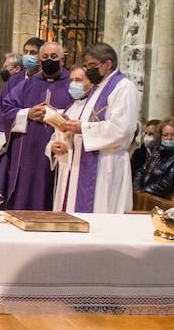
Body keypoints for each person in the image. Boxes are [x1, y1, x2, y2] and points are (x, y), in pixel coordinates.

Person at [45, 43, 139, 214]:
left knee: (102, 216)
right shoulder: (98, 89)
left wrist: (82, 128)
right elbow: (88, 121)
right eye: (87, 66)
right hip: (89, 161)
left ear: (108, 64)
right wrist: (70, 124)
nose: (89, 70)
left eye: (92, 66)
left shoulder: (123, 87)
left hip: (107, 165)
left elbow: (122, 130)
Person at [0, 41, 73, 210]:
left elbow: (81, 113)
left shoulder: (72, 83)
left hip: (61, 153)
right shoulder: (27, 84)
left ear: (62, 60)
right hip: (28, 155)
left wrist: (55, 114)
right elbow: (5, 111)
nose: (49, 60)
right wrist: (27, 114)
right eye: (44, 57)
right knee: (26, 197)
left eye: (53, 57)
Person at [130, 119, 162, 187]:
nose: (147, 137)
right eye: (145, 133)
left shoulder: (164, 156)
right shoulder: (138, 154)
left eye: (151, 134)